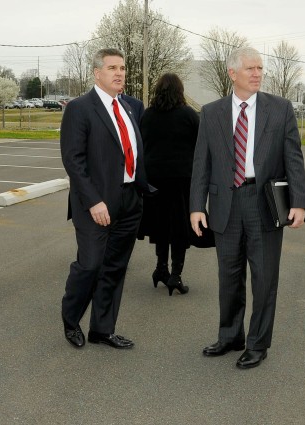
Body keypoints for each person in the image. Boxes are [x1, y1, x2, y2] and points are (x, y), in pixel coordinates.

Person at [190, 46, 305, 369]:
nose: (257, 74)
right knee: (228, 275)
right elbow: (202, 162)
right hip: (226, 203)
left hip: (264, 202)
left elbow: (293, 158)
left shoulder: (280, 109)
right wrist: (196, 206)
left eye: (260, 68)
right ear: (232, 74)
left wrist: (298, 202)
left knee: (264, 277)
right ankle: (230, 336)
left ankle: (257, 343)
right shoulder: (211, 113)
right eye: (250, 69)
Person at [60, 48, 151, 349]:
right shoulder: (80, 108)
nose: (120, 73)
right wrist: (93, 201)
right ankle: (71, 319)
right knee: (90, 265)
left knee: (115, 267)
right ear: (97, 73)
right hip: (95, 204)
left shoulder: (130, 107)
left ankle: (103, 328)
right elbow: (74, 160)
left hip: (129, 201)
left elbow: (134, 150)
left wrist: (141, 188)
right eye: (112, 67)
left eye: (123, 68)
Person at [137, 73, 200, 296]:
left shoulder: (148, 115)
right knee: (180, 227)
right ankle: (176, 275)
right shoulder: (189, 115)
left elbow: (142, 145)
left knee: (160, 226)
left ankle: (160, 269)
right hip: (182, 180)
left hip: (154, 180)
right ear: (179, 91)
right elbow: (199, 146)